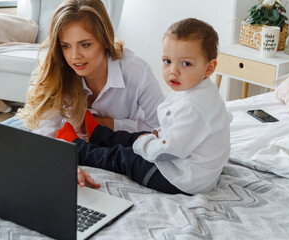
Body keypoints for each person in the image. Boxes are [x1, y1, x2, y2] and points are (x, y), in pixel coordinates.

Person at [55, 18, 233, 195]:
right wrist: (146, 139)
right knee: (139, 137)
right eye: (167, 61)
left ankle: (80, 148)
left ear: (209, 68)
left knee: (123, 157)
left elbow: (167, 151)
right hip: (185, 162)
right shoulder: (197, 89)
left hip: (180, 178)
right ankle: (98, 134)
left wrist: (141, 146)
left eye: (186, 63)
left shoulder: (195, 107)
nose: (173, 71)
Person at [16, 0, 165, 187]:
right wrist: (62, 165)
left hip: (122, 146)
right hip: (74, 145)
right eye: (66, 46)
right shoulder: (60, 71)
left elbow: (161, 129)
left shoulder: (136, 70)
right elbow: (46, 133)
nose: (74, 56)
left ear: (104, 39)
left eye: (84, 45)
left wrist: (110, 124)